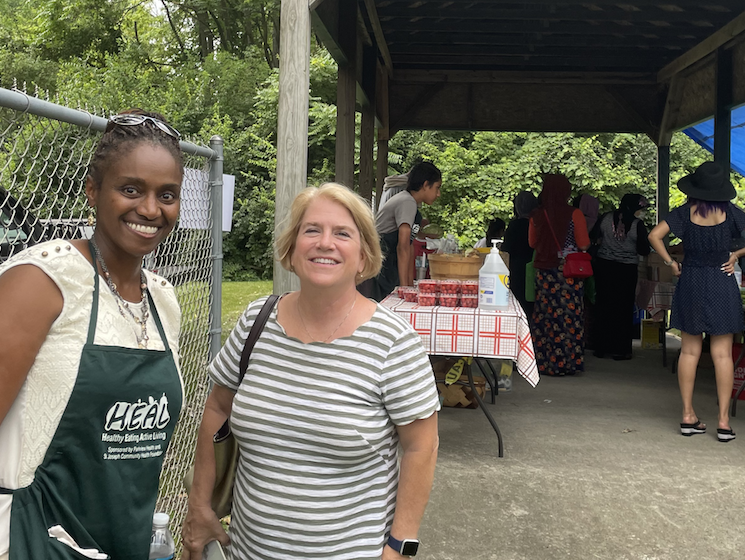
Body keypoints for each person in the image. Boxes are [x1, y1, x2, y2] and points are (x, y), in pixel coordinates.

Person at [0, 111, 186, 560]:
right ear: (93, 191)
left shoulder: (164, 301)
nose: (150, 209)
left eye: (166, 195)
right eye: (130, 189)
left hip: (118, 543)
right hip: (23, 541)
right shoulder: (42, 281)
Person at [181, 183, 440, 560]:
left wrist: (399, 547)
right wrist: (200, 505)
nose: (324, 243)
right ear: (292, 246)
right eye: (312, 230)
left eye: (342, 233)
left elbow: (422, 446)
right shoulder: (257, 320)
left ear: (365, 255)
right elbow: (218, 409)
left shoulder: (394, 343)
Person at [648, 162, 745, 442]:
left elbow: (654, 236)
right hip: (721, 280)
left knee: (690, 352)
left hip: (691, 279)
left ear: (695, 188)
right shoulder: (730, 213)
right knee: (721, 354)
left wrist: (670, 262)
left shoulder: (683, 213)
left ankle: (687, 416)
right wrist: (737, 255)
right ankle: (724, 422)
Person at [528, 173, 591, 376]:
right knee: (568, 318)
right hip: (568, 273)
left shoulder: (536, 215)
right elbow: (583, 244)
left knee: (545, 316)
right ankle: (567, 362)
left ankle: (544, 362)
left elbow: (532, 243)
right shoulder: (575, 214)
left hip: (544, 273)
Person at [591, 193, 652, 360]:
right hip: (626, 270)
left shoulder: (605, 217)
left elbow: (593, 237)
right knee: (623, 308)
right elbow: (644, 250)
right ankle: (620, 349)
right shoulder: (637, 225)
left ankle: (601, 347)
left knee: (604, 304)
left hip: (604, 267)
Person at [371, 161, 442, 300]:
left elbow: (409, 247)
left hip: (391, 262)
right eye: (437, 188)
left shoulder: (412, 204)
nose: (438, 194)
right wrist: (404, 289)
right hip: (381, 262)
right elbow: (402, 247)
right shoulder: (407, 202)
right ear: (426, 185)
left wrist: (409, 285)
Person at [502, 191, 538, 317]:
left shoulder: (515, 225)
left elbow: (506, 250)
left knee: (518, 306)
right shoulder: (538, 224)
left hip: (516, 271)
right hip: (535, 270)